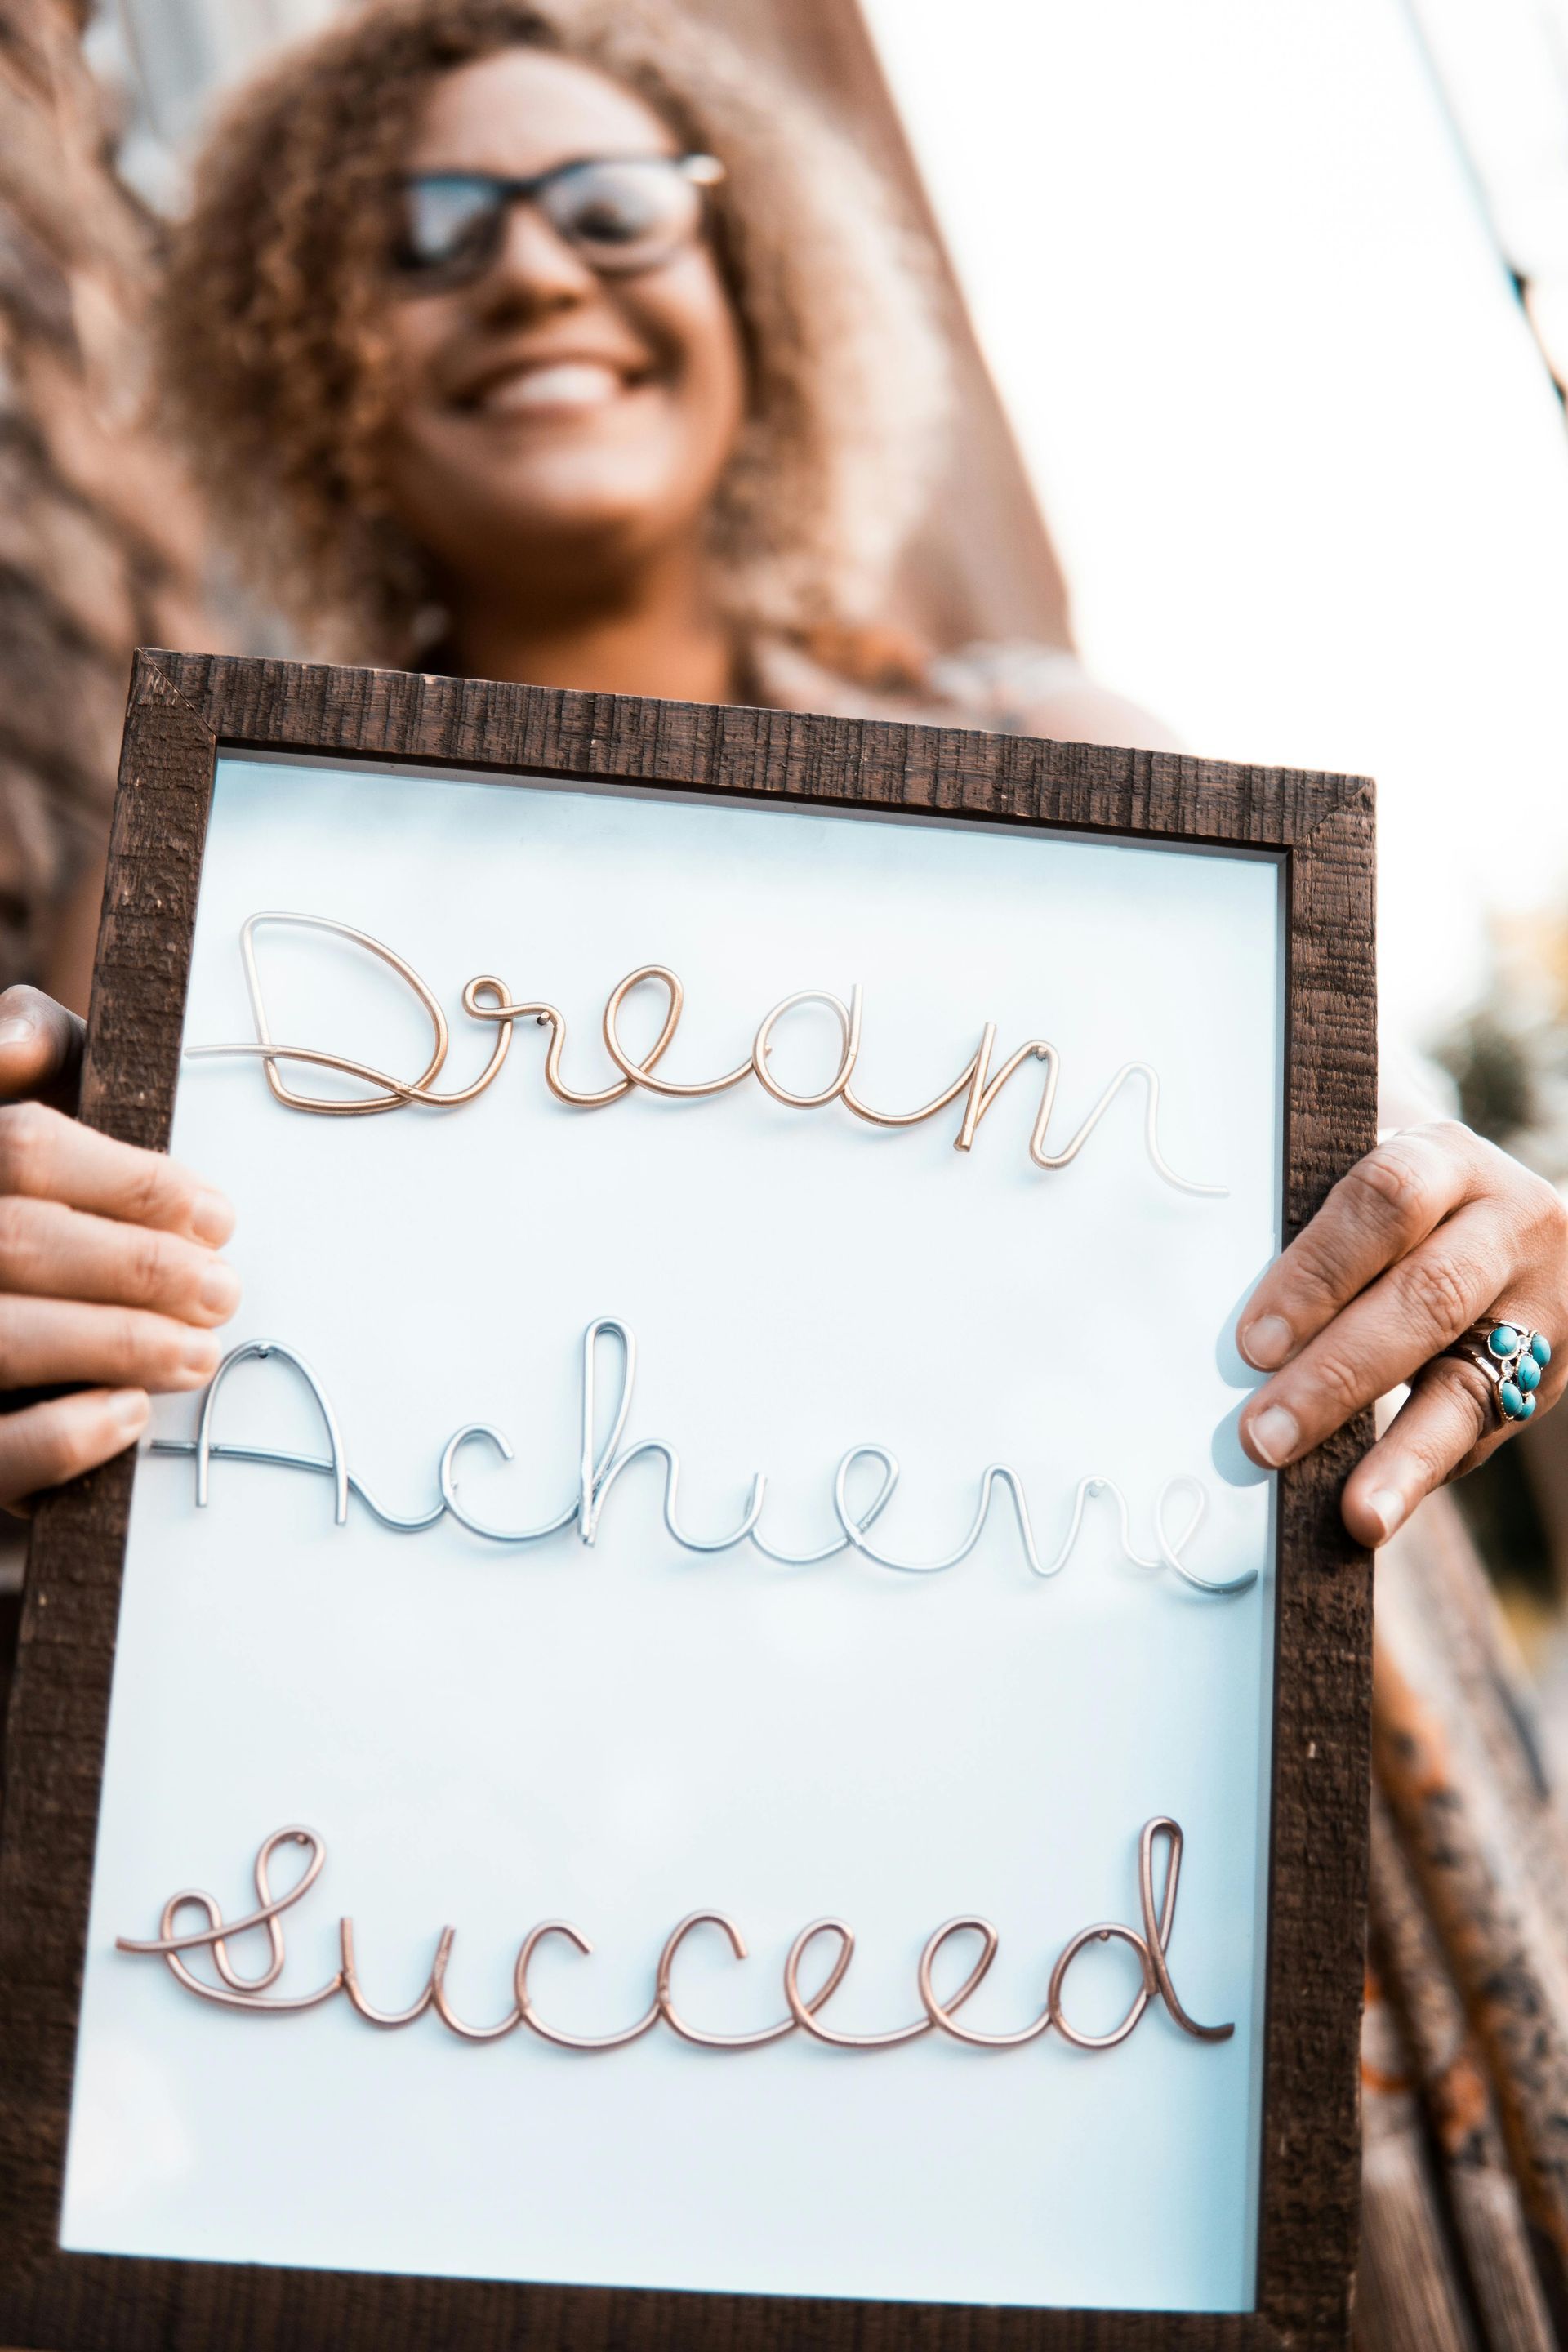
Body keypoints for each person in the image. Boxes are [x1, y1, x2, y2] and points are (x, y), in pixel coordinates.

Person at [0, 0, 1561, 1552]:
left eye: (616, 210)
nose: (538, 272)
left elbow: (1406, 1201)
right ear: (306, 348)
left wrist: (1493, 1259)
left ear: (754, 294)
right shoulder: (208, 871)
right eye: (430, 230)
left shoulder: (1071, 775)